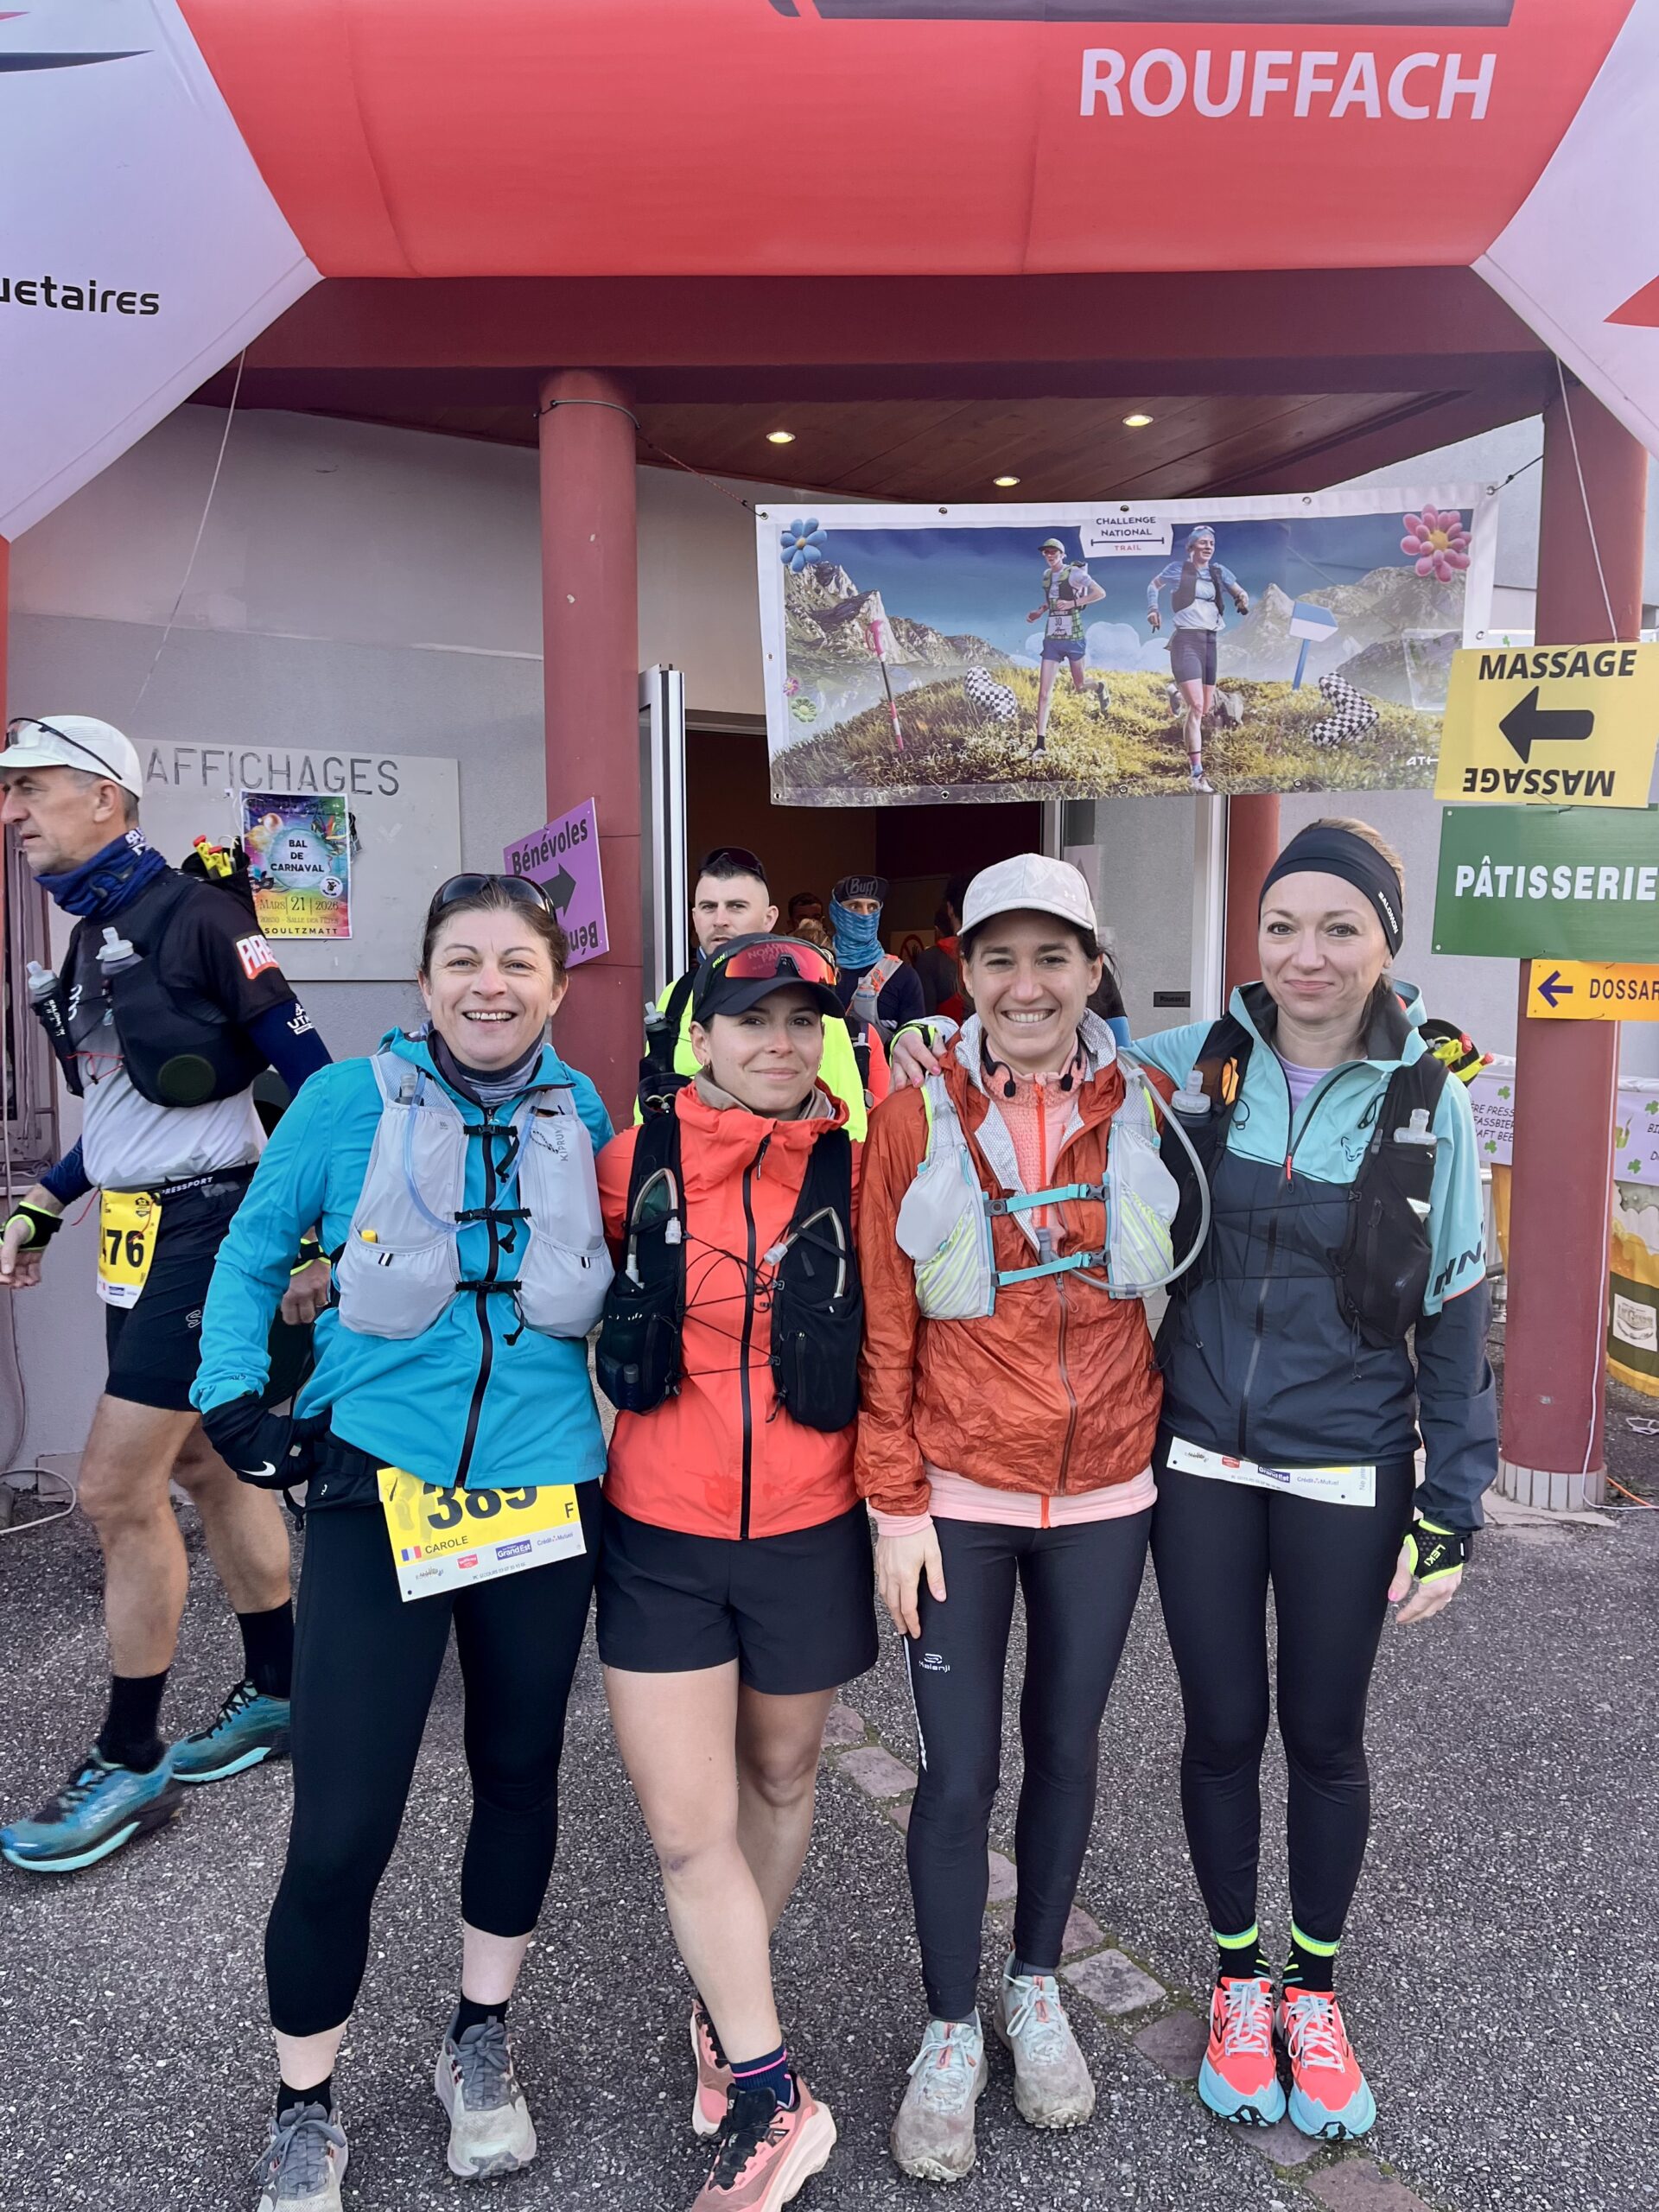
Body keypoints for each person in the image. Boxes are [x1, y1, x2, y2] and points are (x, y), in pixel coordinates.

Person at [193, 873, 612, 2209]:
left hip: (545, 1497)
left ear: (555, 986)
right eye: (463, 962)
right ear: (425, 983)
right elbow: (251, 1255)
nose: (491, 985)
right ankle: (304, 2105)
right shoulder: (342, 1103)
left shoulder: (587, 1112)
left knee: (520, 1776)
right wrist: (232, 1399)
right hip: (379, 1489)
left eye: (517, 964)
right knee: (343, 1817)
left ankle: (479, 2040)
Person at [1130, 818, 1495, 2145]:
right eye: (1283, 926)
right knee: (1222, 1728)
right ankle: (1239, 1979)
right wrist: (936, 1044)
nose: (1307, 954)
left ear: (1385, 943)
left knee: (1325, 1737)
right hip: (1200, 1463)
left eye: (1341, 928)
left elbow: (1456, 1312)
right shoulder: (1197, 1063)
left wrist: (1451, 1509)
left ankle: (1315, 1992)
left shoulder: (1429, 1096)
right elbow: (1050, 1060)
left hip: (1352, 1465)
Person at [856, 854, 1179, 2185]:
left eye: (1054, 957)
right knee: (957, 1773)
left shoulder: (1149, 1099)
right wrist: (894, 1504)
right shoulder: (910, 1117)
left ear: (1094, 970)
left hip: (1107, 1487)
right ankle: (950, 2029)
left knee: (1067, 1746)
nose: (1026, 985)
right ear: (967, 971)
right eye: (1000, 959)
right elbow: (885, 1326)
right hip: (960, 1492)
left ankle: (1035, 1986)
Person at [0, 715, 332, 1876]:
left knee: (111, 1489)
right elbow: (121, 1117)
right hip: (135, 1233)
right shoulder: (91, 932)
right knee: (203, 1463)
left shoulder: (200, 917)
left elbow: (315, 1079)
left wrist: (323, 1237)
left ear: (105, 796)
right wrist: (46, 1200)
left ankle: (131, 1759)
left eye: (31, 788)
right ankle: (282, 1692)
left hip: (210, 1225)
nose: (11, 811)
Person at [594, 931, 876, 2212]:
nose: (778, 1042)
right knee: (682, 1825)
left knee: (781, 1776)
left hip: (812, 1526)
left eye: (800, 1022)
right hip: (660, 1530)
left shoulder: (859, 1167)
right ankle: (773, 2092)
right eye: (750, 1019)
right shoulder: (627, 1163)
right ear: (698, 1037)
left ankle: (726, 2014)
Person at [639, 847, 882, 1132]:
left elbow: (847, 1124)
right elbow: (648, 1107)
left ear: (769, 918)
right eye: (708, 907)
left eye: (736, 906)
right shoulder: (676, 994)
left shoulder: (806, 993)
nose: (720, 920)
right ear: (694, 917)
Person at [1146, 524, 1249, 794]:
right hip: (1186, 641)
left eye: (1211, 543)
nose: (1208, 546)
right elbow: (1153, 585)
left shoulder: (1218, 571)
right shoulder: (1177, 569)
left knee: (1203, 709)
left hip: (1210, 642)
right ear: (1191, 547)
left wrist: (1242, 599)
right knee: (1197, 707)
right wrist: (1153, 609)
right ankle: (1197, 774)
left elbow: (1239, 591)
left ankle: (1175, 693)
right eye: (1203, 542)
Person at [1027, 537, 1109, 753]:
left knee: (1080, 686)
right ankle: (1040, 745)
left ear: (1062, 554)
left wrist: (1073, 603)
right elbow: (1051, 600)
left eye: (1053, 552)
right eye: (1046, 552)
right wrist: (1039, 611)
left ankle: (1099, 687)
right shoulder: (1046, 575)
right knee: (1044, 693)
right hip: (1052, 637)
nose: (1049, 555)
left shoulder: (1075, 573)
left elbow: (1100, 593)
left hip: (1073, 635)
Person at [830, 873, 924, 1036]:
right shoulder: (818, 966)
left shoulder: (903, 976)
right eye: (854, 906)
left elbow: (915, 1040)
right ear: (836, 912)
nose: (865, 915)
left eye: (872, 907)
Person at [912, 873, 970, 1021]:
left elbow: (925, 1021)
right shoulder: (994, 953)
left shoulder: (930, 959)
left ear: (950, 908)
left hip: (946, 1036)